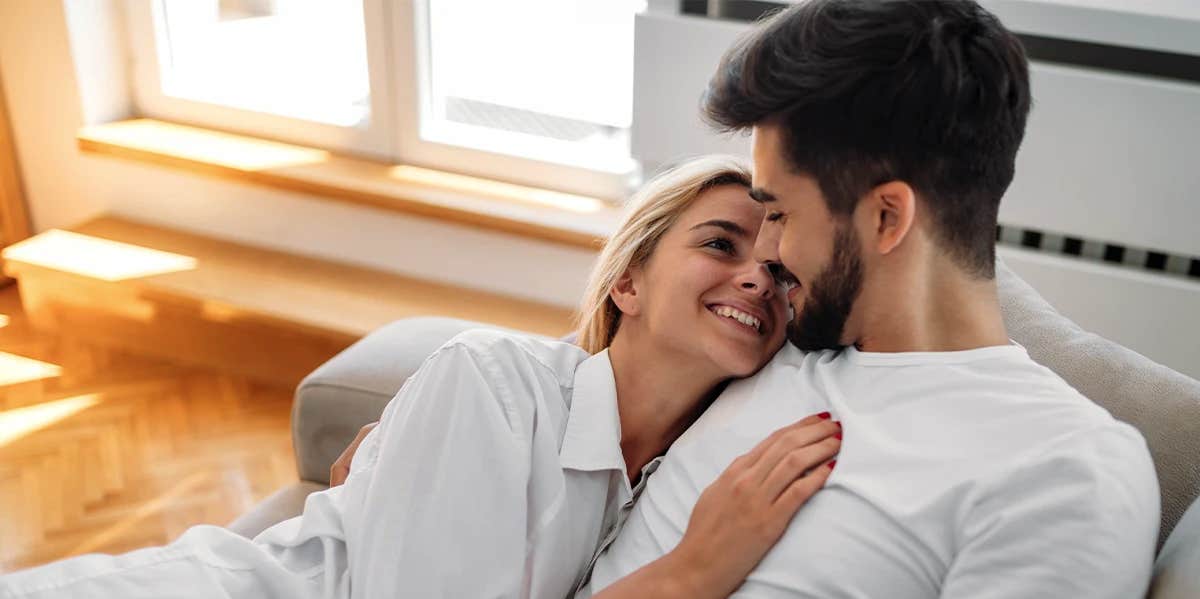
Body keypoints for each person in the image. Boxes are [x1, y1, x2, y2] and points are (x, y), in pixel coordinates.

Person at [0, 156, 840, 599]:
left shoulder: (679, 475)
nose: (759, 277)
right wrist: (691, 574)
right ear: (628, 282)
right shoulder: (491, 382)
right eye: (720, 244)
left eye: (777, 266)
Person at [581, 1, 1160, 597]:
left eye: (779, 213)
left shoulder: (1062, 469)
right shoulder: (768, 346)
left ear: (887, 218)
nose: (767, 252)